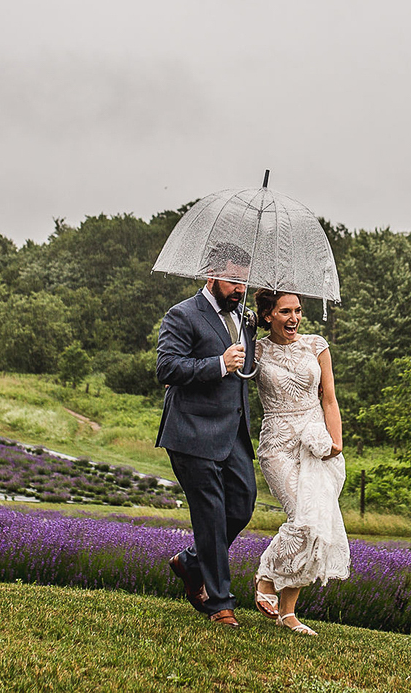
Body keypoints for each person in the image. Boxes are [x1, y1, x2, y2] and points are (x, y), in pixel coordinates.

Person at [156, 242, 257, 628]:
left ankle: (191, 562)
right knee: (211, 514)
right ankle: (220, 603)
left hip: (233, 431)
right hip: (191, 431)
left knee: (242, 504)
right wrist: (217, 364)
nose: (239, 288)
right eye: (233, 280)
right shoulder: (182, 315)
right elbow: (167, 368)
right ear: (211, 275)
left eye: (244, 282)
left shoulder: (244, 319)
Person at [250, 289, 350, 635]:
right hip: (277, 442)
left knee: (317, 522)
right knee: (302, 518)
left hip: (314, 441)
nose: (293, 319)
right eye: (284, 312)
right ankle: (266, 577)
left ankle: (288, 612)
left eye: (298, 311)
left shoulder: (316, 345)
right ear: (267, 316)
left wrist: (336, 442)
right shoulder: (256, 350)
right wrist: (245, 332)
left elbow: (330, 399)